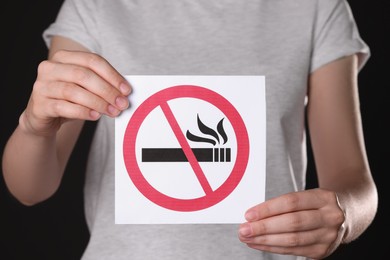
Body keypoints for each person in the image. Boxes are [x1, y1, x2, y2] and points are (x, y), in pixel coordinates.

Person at [1, 0, 378, 259]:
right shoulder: (97, 6)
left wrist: (343, 216)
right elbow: (32, 189)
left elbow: (354, 181)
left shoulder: (315, 8)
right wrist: (35, 126)